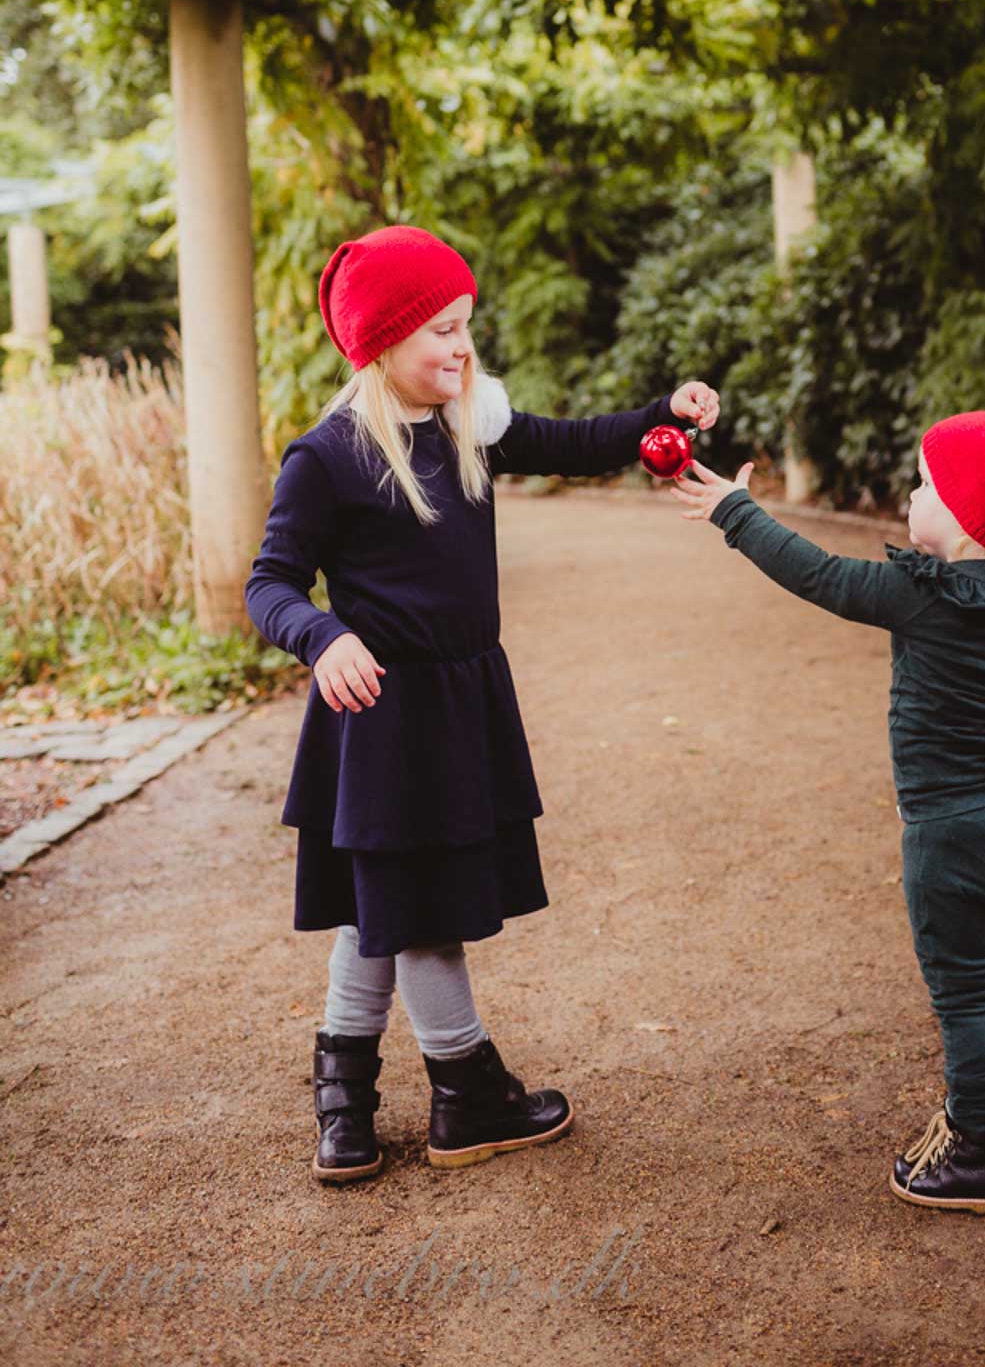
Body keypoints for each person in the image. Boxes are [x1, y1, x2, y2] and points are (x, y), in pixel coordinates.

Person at [245, 224, 719, 1184]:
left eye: (467, 327)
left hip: (460, 705)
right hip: (383, 719)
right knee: (419, 913)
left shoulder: (469, 425)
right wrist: (323, 635)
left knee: (377, 906)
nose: (461, 348)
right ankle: (467, 1094)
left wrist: (661, 412)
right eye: (440, 332)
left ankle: (344, 1106)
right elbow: (270, 585)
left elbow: (576, 444)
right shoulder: (328, 456)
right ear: (382, 342)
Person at [669, 410, 985, 1217]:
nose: (911, 496)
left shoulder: (917, 595)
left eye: (924, 485)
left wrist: (735, 514)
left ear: (959, 517)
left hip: (951, 842)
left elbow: (815, 572)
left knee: (967, 998)